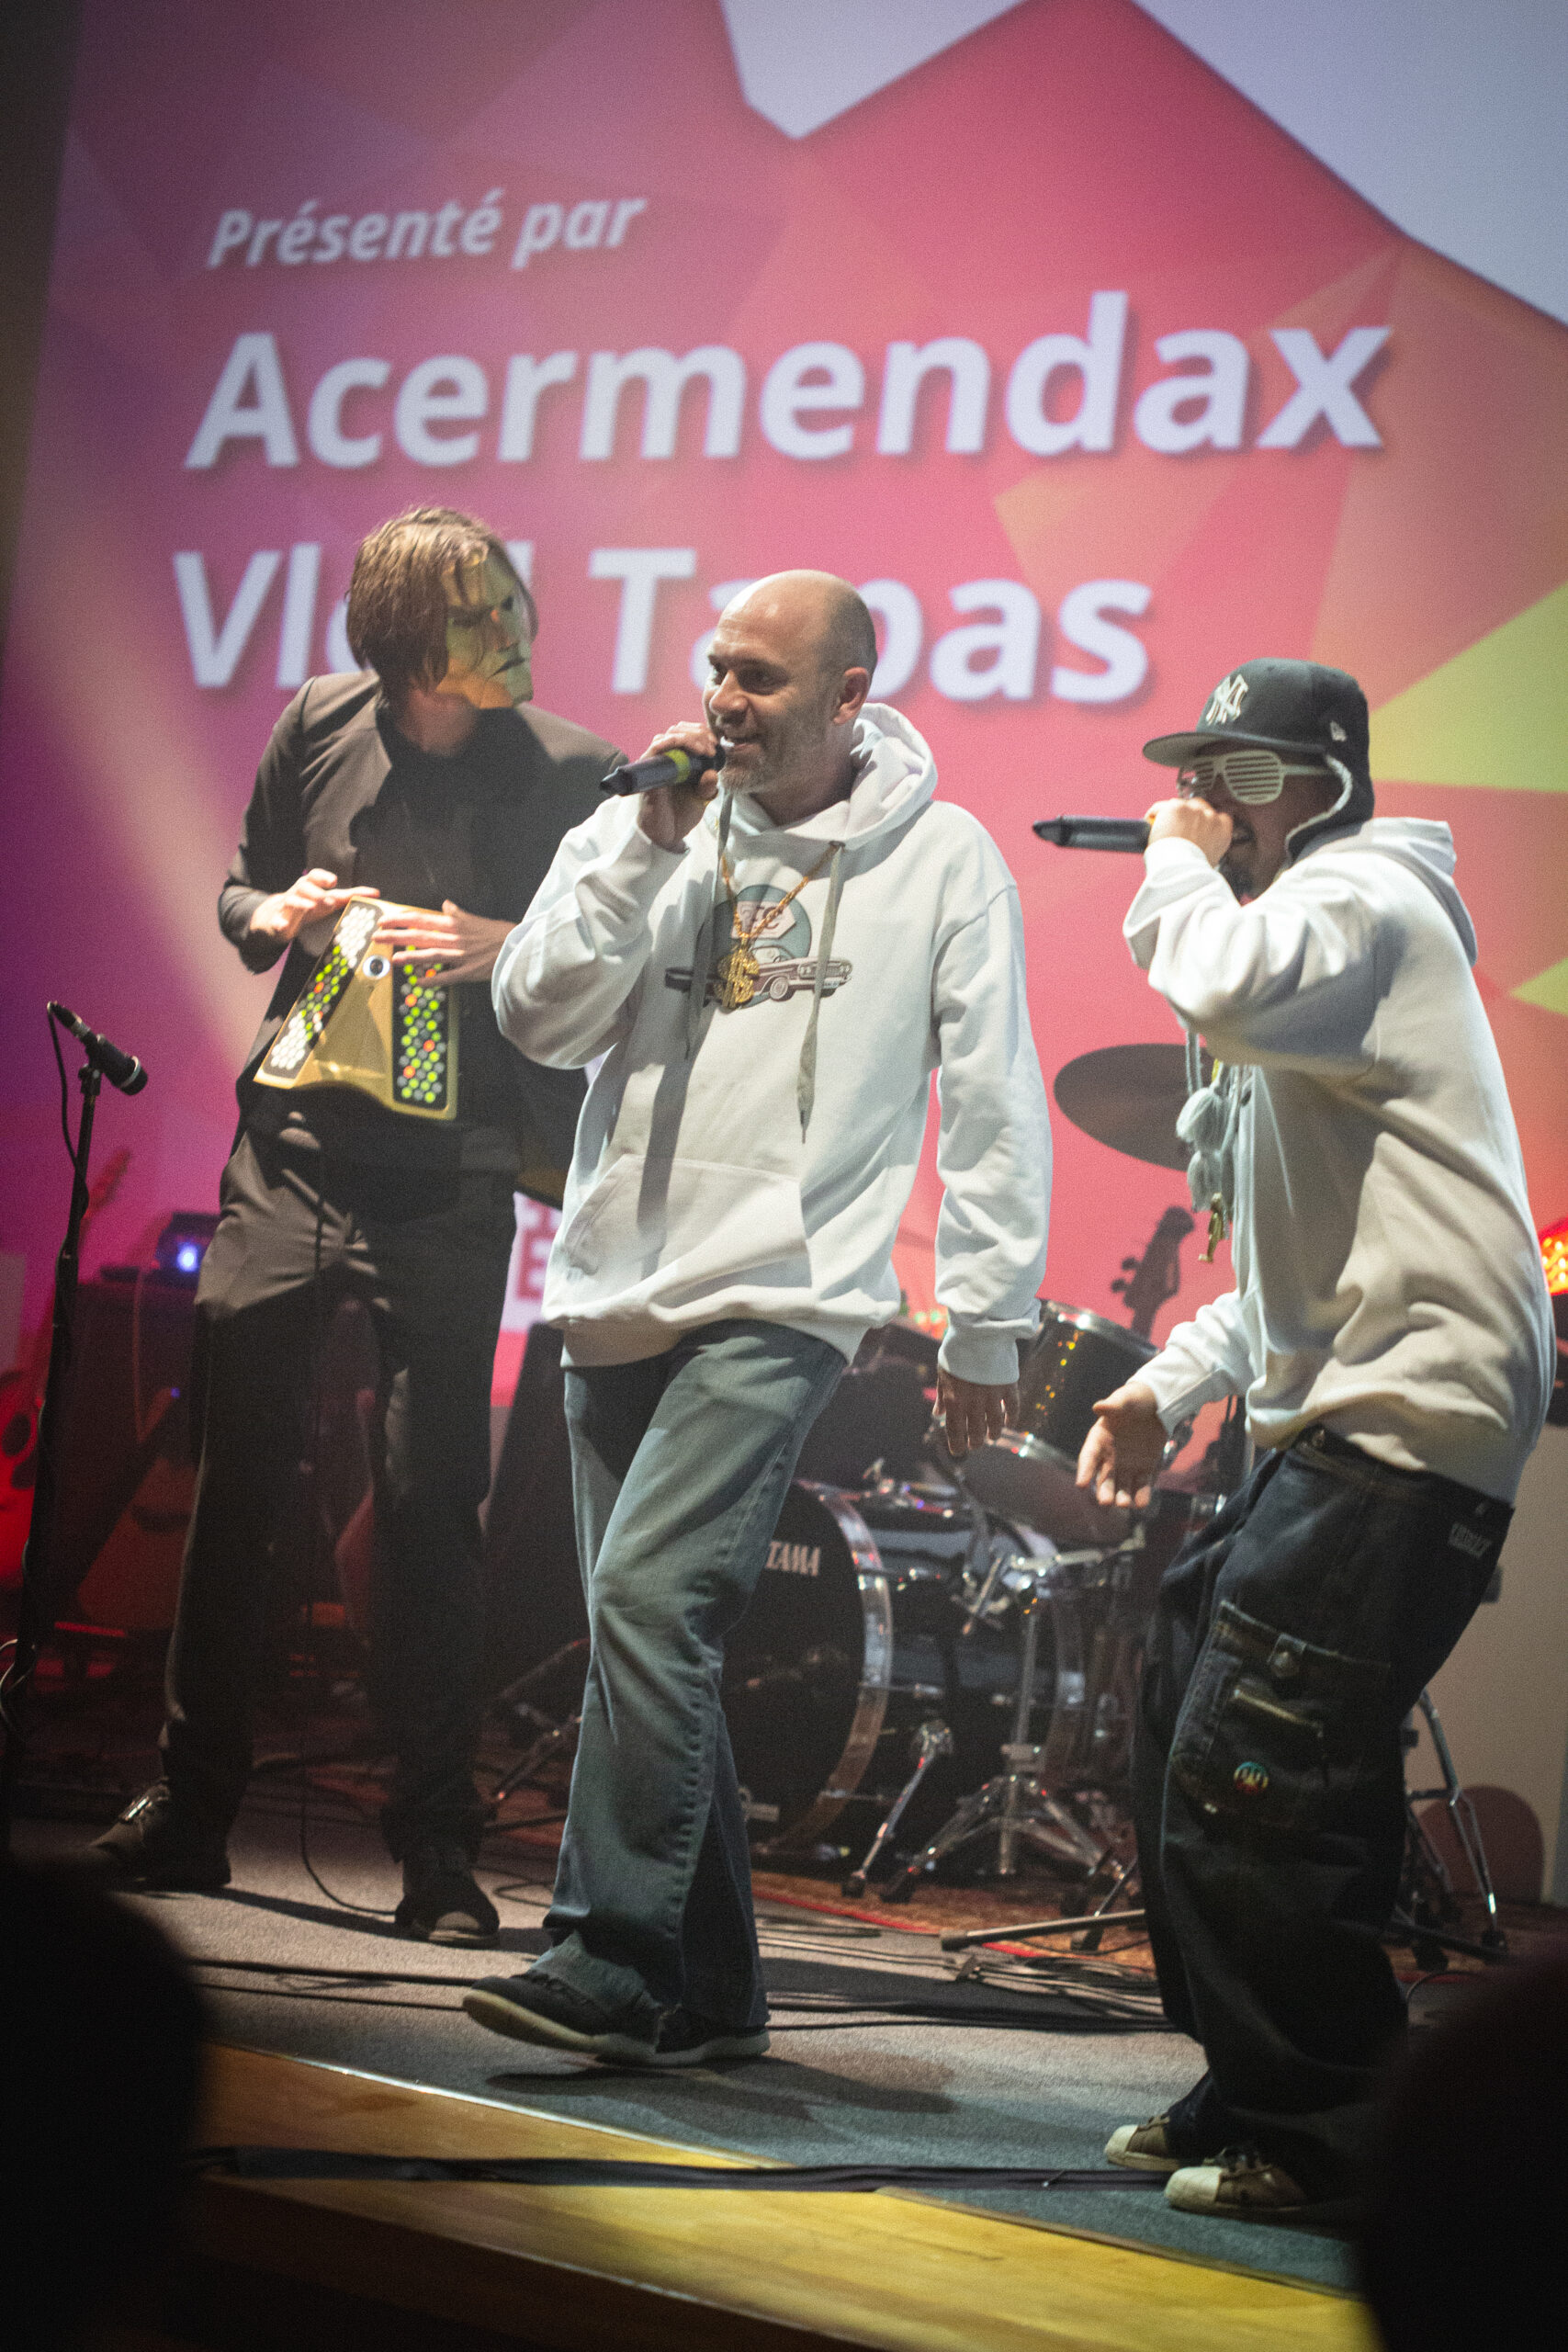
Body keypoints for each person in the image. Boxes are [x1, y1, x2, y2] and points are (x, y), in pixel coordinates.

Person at [462, 570, 1051, 2064]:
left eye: (762, 678)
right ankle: (716, 1990)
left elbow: (993, 1103)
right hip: (616, 1282)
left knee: (654, 1604)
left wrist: (988, 1323)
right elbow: (536, 1015)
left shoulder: (945, 860)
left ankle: (609, 1957)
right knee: (641, 1634)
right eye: (717, 668)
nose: (725, 700)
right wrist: (639, 852)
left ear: (849, 696)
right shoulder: (644, 822)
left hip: (787, 1292)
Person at [85, 506, 620, 1941]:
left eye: (515, 601)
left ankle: (435, 1849)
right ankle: (190, 1808)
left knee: (432, 1511)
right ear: (403, 645)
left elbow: (619, 962)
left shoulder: (576, 774)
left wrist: (505, 947)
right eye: (481, 615)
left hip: (449, 1180)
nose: (515, 629)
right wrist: (278, 916)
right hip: (292, 1153)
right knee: (236, 1491)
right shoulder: (320, 721)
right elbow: (240, 889)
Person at [1081, 660, 1554, 2214]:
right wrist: (1167, 1383)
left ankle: (1331, 2131)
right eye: (1196, 775)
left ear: (1330, 784)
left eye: (1243, 775)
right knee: (1196, 1711)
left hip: (1406, 1423)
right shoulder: (1317, 947)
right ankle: (1257, 2076)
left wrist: (1171, 858)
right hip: (1347, 1416)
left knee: (1261, 1773)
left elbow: (1211, 980)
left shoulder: (1367, 901)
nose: (1208, 800)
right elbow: (1298, 1276)